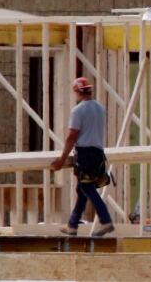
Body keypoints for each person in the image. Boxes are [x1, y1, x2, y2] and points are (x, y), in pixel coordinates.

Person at [52, 77, 114, 237]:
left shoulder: (78, 110)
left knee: (87, 188)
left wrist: (61, 159)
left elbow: (71, 136)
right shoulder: (100, 108)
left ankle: (106, 220)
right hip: (98, 153)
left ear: (77, 92)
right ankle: (72, 225)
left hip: (85, 154)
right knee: (82, 190)